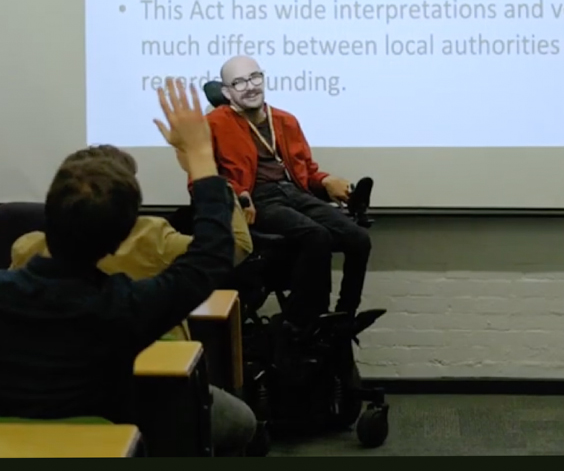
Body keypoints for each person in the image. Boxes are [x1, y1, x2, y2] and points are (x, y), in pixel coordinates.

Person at [0, 79, 255, 455]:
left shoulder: (12, 277)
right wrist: (201, 155)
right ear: (122, 235)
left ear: (47, 213)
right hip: (106, 439)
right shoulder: (127, 307)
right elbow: (214, 254)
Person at [9, 144, 254, 341]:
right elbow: (235, 246)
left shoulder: (27, 249)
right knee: (234, 407)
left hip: (43, 387)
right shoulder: (149, 239)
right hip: (155, 380)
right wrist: (209, 172)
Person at [203, 55, 371, 328]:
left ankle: (343, 317)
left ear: (263, 78)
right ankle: (306, 321)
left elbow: (307, 171)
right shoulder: (214, 124)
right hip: (259, 198)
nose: (250, 86)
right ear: (226, 92)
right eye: (239, 82)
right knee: (316, 235)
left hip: (294, 193)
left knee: (359, 239)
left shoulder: (285, 121)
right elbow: (204, 179)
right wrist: (238, 194)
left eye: (254, 77)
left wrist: (327, 181)